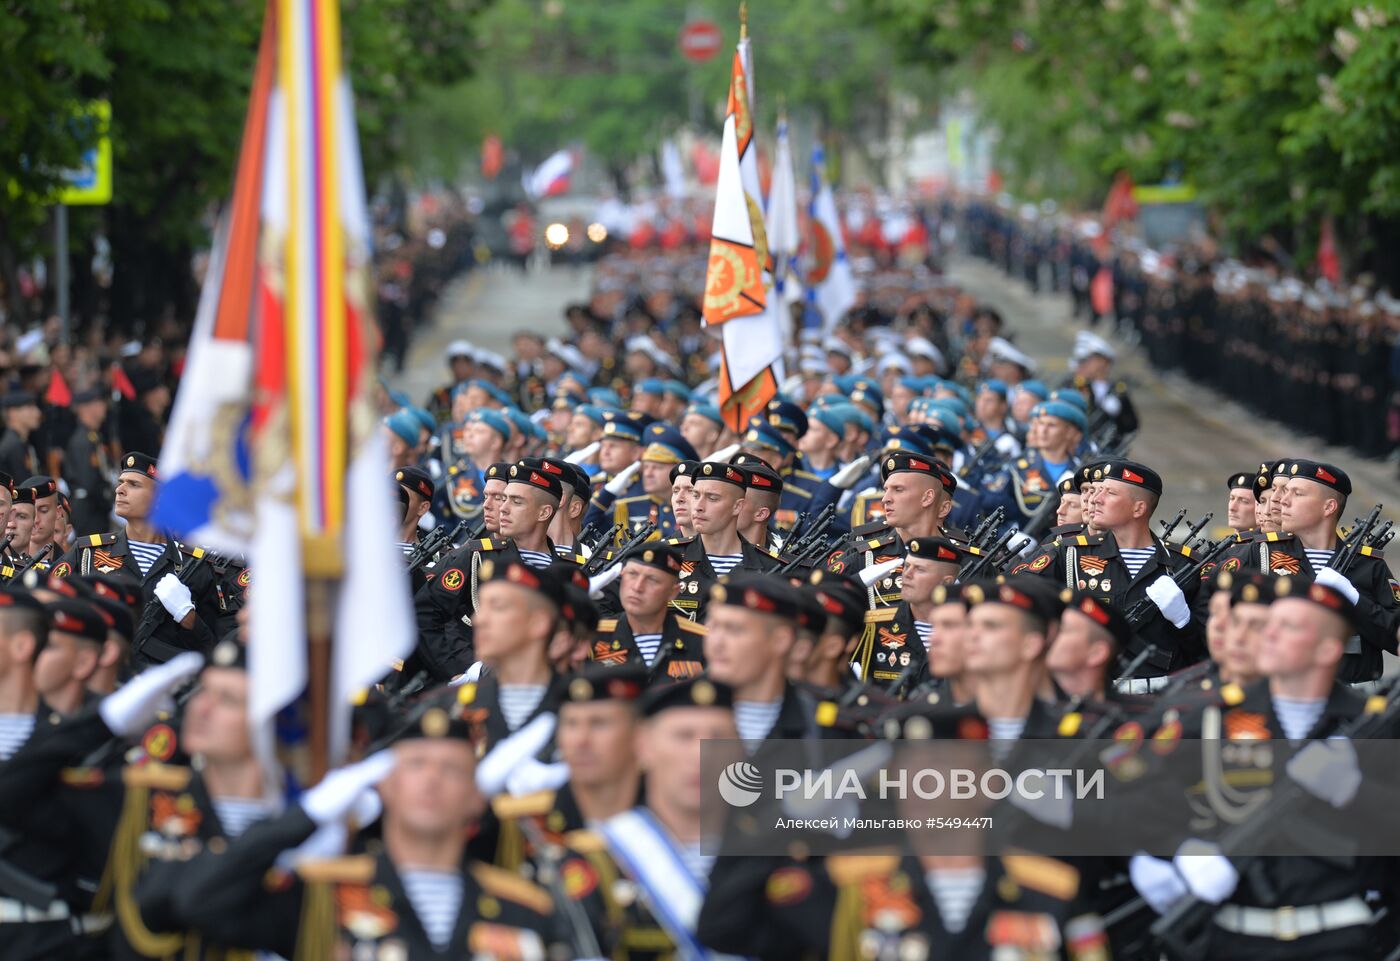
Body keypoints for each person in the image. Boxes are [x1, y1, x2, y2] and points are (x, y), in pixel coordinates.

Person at [160, 688, 566, 961]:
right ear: (384, 785)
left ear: (477, 796)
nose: (431, 780)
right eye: (416, 765)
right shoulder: (322, 898)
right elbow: (198, 900)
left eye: (451, 769)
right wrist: (306, 816)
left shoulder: (524, 909)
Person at [1018, 459, 1202, 689]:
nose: (1095, 499)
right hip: (1089, 694)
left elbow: (1206, 653)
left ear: (1138, 509)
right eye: (1098, 491)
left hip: (1161, 699)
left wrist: (1184, 621)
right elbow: (1016, 601)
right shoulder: (1068, 554)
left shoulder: (1183, 565)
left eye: (1110, 493)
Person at [1217, 459, 1399, 683]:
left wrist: (1355, 600)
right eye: (1286, 492)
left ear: (1328, 507)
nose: (1283, 500)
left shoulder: (1367, 564)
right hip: (1277, 688)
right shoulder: (1261, 552)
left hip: (1353, 695)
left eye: (1298, 494)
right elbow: (1213, 612)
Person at [53, 453, 222, 668]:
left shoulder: (193, 564)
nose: (119, 490)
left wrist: (189, 618)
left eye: (133, 484)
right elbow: (48, 602)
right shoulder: (88, 553)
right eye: (120, 482)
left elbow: (215, 647)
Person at [413, 463, 567, 680]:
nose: (503, 508)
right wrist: (459, 670)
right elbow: (425, 611)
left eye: (516, 501)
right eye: (505, 499)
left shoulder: (571, 570)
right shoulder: (477, 555)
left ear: (544, 512)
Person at [703, 573, 821, 743]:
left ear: (780, 641)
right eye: (713, 627)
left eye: (734, 629)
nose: (716, 643)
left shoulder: (821, 730)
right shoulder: (675, 715)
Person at [858, 536, 968, 690]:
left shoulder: (969, 632)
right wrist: (857, 582)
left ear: (946, 582)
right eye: (907, 566)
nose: (906, 574)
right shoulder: (875, 627)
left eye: (920, 569)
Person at [591, 543, 706, 682]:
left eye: (652, 579)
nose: (637, 587)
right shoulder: (594, 636)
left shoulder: (701, 641)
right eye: (632, 574)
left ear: (673, 592)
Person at [63, 387, 114, 537]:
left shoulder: (93, 436)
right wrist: (106, 500)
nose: (104, 406)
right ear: (85, 408)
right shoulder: (82, 440)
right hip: (88, 510)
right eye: (98, 402)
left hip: (96, 508)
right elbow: (88, 480)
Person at [0, 392, 41, 482]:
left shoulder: (21, 441)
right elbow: (22, 484)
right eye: (30, 408)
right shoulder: (13, 446)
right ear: (13, 413)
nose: (37, 413)